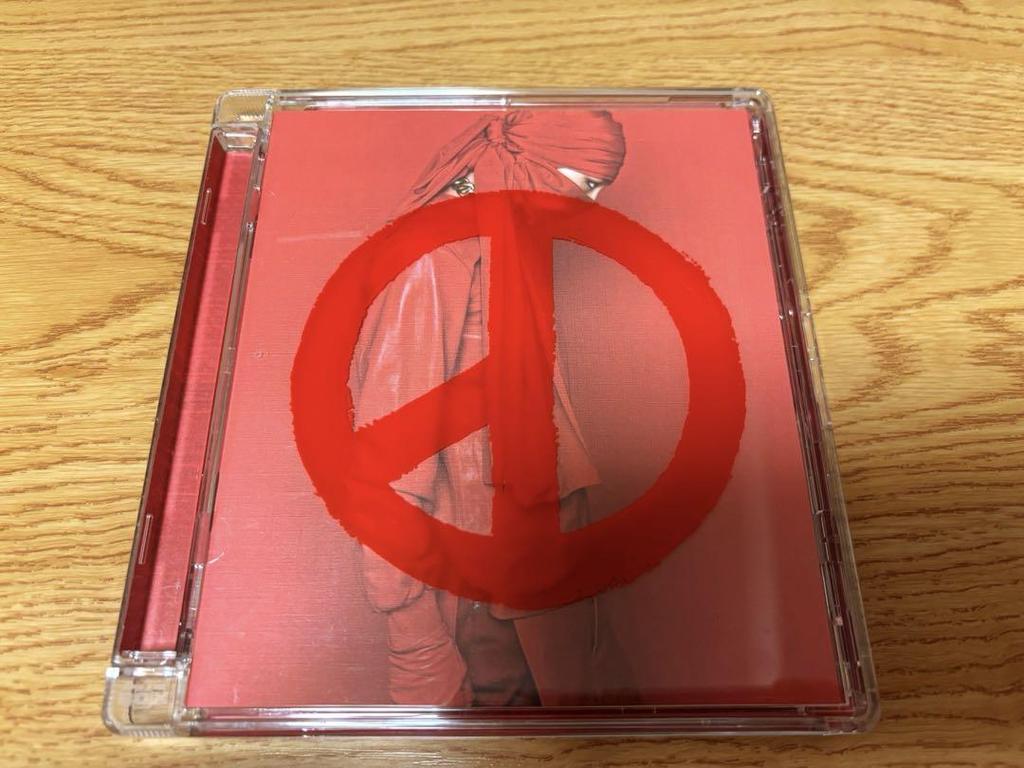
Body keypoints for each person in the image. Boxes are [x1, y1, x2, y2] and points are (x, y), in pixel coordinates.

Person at [349, 110, 627, 706]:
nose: (593, 204)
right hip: (482, 582)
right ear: (535, 163)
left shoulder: (505, 245)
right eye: (588, 183)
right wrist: (413, 637)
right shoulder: (438, 254)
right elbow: (387, 461)